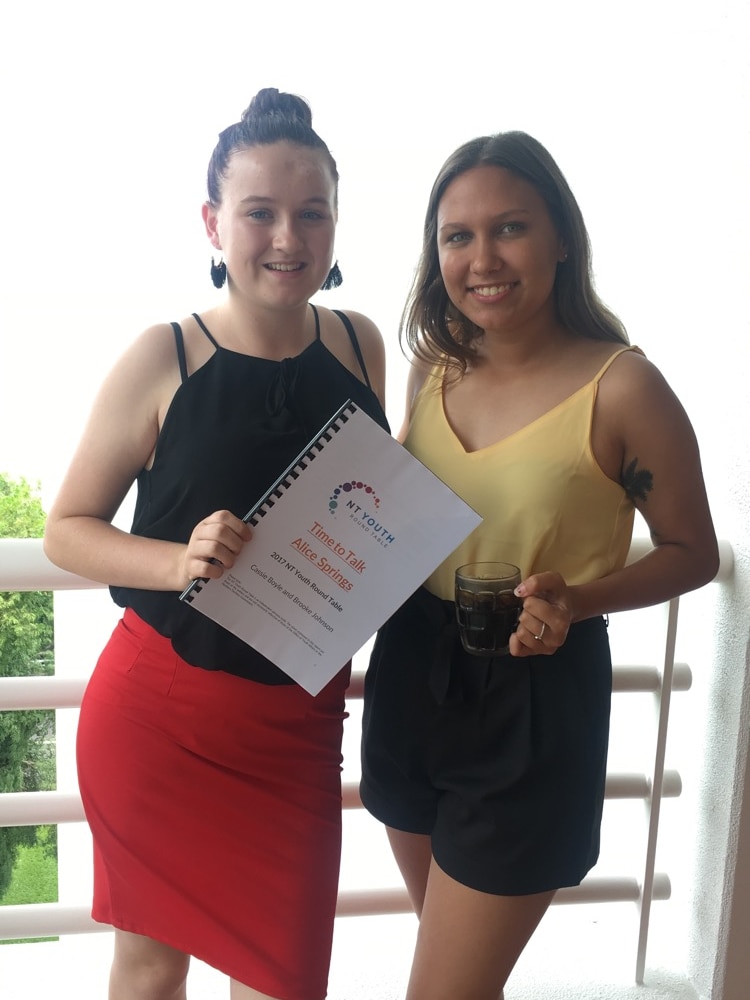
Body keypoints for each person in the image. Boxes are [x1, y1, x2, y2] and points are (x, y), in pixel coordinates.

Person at [43, 88, 387, 1000]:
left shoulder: (362, 346)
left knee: (286, 980)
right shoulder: (164, 356)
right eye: (260, 213)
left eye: (312, 213)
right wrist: (175, 560)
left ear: (336, 224)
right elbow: (65, 530)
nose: (288, 236)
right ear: (213, 223)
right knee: (151, 972)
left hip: (299, 730)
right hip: (160, 717)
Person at [360, 130, 718, 1000]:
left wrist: (580, 599)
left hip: (533, 689)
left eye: (510, 228)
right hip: (413, 673)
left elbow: (694, 553)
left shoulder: (625, 387)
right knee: (455, 971)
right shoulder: (432, 369)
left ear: (561, 236)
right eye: (457, 236)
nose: (483, 257)